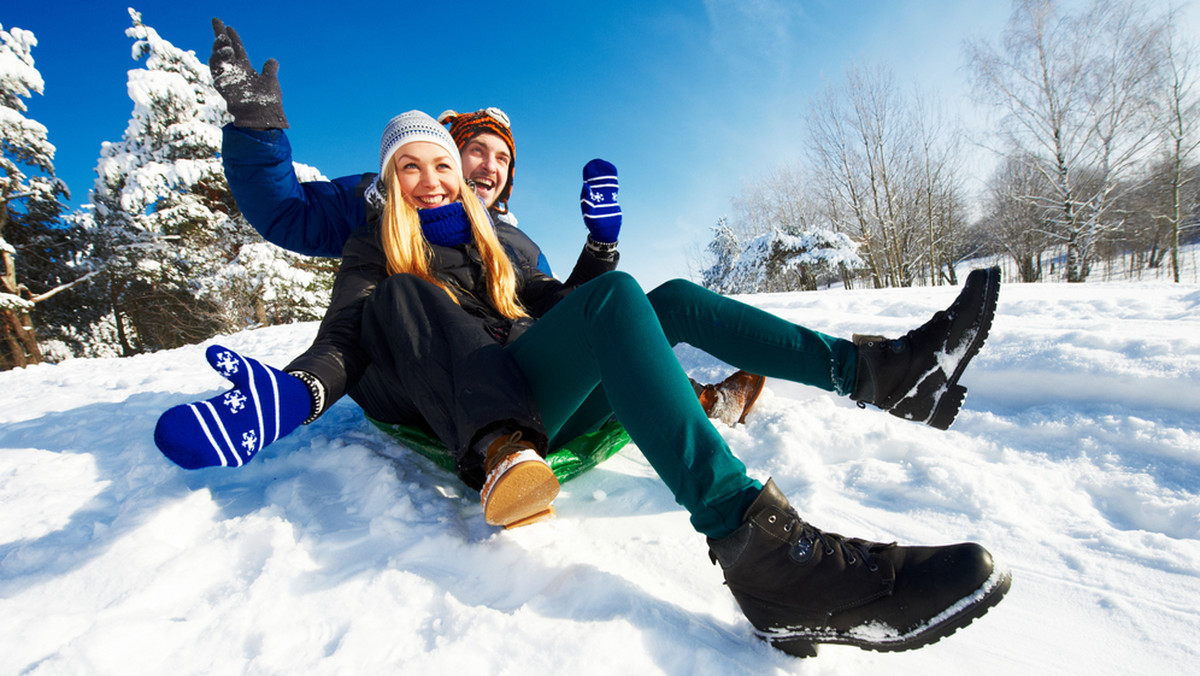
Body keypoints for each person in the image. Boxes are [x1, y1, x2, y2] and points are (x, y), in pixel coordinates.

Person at [158, 110, 1009, 656]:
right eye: (413, 166)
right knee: (415, 297)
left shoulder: (508, 248)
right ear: (387, 184)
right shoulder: (375, 248)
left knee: (658, 297)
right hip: (462, 409)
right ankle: (761, 551)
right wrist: (295, 395)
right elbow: (345, 336)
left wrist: (601, 249)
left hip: (531, 387)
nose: (436, 178)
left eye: (446, 167)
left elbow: (578, 310)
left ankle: (889, 373)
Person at [205, 18, 765, 426]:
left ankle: (703, 401)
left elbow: (555, 310)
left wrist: (600, 248)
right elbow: (288, 213)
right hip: (412, 366)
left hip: (499, 360)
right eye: (475, 151)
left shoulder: (509, 240)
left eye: (503, 161)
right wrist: (257, 130)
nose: (489, 168)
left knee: (586, 341)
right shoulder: (380, 196)